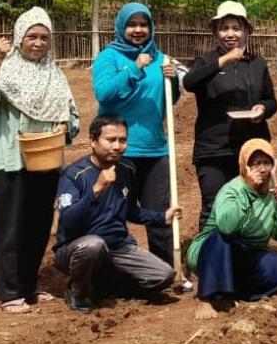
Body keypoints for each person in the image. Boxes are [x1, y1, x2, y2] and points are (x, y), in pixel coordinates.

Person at [0, 7, 80, 313]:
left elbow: (72, 114)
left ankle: (29, 287)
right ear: (19, 38)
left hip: (44, 161)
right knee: (9, 227)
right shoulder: (5, 69)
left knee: (37, 225)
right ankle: (9, 293)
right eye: (31, 36)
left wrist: (64, 126)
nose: (38, 43)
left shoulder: (54, 75)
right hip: (7, 161)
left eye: (44, 37)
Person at [54, 115, 181, 313]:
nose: (117, 146)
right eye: (110, 140)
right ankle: (78, 290)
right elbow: (68, 221)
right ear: (93, 141)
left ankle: (106, 286)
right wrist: (96, 189)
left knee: (164, 275)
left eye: (122, 140)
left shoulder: (127, 169)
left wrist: (162, 217)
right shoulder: (74, 174)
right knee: (94, 244)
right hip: (78, 248)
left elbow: (130, 210)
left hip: (118, 247)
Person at [92, 2, 183, 271]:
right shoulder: (109, 57)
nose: (138, 30)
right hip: (118, 150)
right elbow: (104, 93)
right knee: (113, 212)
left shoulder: (161, 57)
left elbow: (169, 101)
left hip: (155, 149)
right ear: (122, 27)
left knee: (160, 213)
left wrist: (173, 81)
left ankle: (166, 269)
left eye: (144, 24)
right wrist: (134, 68)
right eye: (132, 24)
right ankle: (113, 270)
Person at [183, 1, 277, 232]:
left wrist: (262, 110)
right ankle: (208, 260)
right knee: (213, 205)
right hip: (213, 148)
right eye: (224, 28)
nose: (230, 34)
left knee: (252, 204)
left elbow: (272, 101)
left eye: (236, 28)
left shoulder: (257, 63)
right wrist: (223, 61)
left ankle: (245, 259)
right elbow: (189, 82)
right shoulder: (205, 62)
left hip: (252, 147)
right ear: (216, 32)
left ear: (246, 31)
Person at [187, 139, 277, 320]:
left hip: (247, 255)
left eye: (266, 163)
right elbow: (227, 227)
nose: (262, 169)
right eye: (255, 163)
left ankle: (233, 292)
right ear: (245, 166)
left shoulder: (273, 194)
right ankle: (205, 297)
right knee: (221, 237)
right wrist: (249, 190)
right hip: (213, 253)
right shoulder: (232, 191)